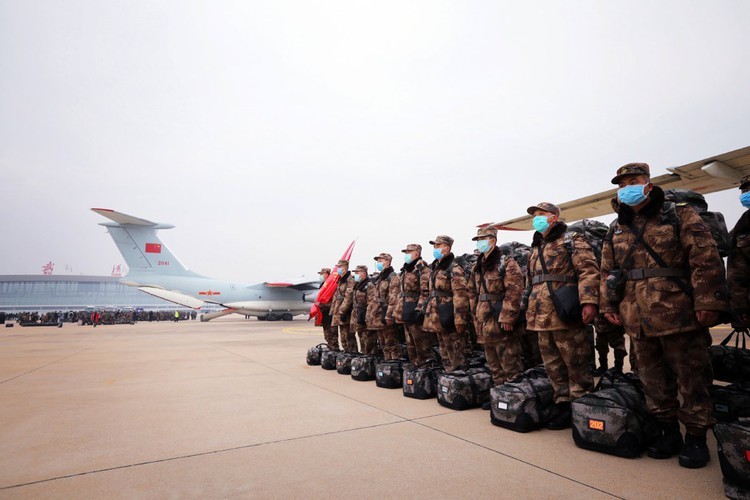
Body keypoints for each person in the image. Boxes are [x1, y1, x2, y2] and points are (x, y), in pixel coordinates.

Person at [599, 162, 729, 468]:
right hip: (637, 317)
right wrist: (609, 305)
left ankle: (696, 436)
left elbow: (705, 259)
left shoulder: (678, 214)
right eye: (622, 183)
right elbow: (608, 271)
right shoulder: (616, 226)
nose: (627, 187)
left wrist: (707, 302)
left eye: (634, 180)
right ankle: (667, 431)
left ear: (648, 183)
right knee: (652, 379)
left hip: (679, 314)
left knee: (692, 377)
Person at [526, 202, 599, 430]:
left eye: (542, 214)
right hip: (541, 314)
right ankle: (562, 403)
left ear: (554, 217)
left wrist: (589, 302)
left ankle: (581, 405)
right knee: (552, 363)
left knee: (575, 361)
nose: (537, 218)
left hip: (565, 310)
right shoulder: (536, 246)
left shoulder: (571, 240)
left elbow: (588, 271)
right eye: (535, 215)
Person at [468, 226, 525, 409]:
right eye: (478, 240)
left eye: (483, 239)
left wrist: (508, 317)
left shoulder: (505, 262)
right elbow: (472, 292)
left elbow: (514, 290)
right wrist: (474, 316)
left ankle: (514, 399)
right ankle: (498, 397)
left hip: (499, 318)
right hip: (484, 320)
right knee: (492, 363)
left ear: (493, 240)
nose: (479, 243)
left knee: (509, 361)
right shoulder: (478, 266)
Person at [423, 235, 470, 371]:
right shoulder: (436, 269)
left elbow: (461, 295)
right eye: (434, 246)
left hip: (450, 317)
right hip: (438, 318)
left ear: (447, 248)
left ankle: (458, 380)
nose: (435, 248)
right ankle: (449, 381)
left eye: (438, 246)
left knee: (455, 353)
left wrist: (460, 320)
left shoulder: (453, 268)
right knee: (444, 352)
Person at [393, 244, 436, 366]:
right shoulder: (405, 271)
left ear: (416, 253)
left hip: (416, 312)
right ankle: (415, 370)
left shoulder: (423, 270)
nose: (406, 255)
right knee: (410, 345)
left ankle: (425, 370)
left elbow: (425, 292)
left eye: (409, 252)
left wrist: (419, 310)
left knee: (421, 346)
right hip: (405, 312)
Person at [366, 253, 400, 360]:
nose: (378, 263)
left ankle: (393, 365)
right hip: (378, 314)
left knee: (391, 342)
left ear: (388, 261)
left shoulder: (392, 277)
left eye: (381, 260)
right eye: (378, 260)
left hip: (386, 313)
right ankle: (386, 366)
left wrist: (389, 315)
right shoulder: (380, 277)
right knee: (382, 343)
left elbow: (393, 298)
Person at [728, 174, 750, 330]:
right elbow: (737, 272)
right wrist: (739, 309)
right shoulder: (743, 224)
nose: (746, 195)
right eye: (744, 191)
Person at [330, 260, 357, 352]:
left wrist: (342, 311)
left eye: (340, 267)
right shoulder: (341, 280)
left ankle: (353, 354)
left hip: (346, 313)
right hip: (339, 312)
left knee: (349, 336)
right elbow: (336, 297)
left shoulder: (349, 280)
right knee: (343, 337)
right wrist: (333, 311)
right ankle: (346, 354)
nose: (338, 269)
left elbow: (348, 297)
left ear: (345, 267)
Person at [350, 265, 378, 355]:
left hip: (366, 315)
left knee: (368, 339)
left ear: (364, 273)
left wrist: (368, 317)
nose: (356, 275)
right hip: (358, 315)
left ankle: (370, 357)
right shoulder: (357, 285)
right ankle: (364, 356)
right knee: (361, 337)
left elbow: (371, 302)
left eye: (358, 273)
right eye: (355, 273)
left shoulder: (369, 285)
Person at [316, 267, 339, 351]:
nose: (321, 276)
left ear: (328, 274)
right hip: (324, 314)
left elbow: (333, 301)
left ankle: (334, 350)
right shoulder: (323, 285)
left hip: (330, 313)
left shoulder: (332, 285)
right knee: (327, 335)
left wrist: (323, 305)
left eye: (323, 274)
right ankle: (330, 349)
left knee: (333, 335)